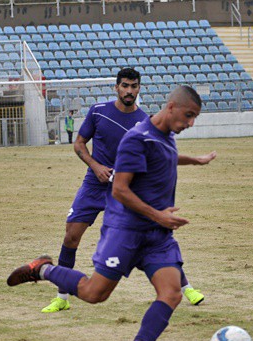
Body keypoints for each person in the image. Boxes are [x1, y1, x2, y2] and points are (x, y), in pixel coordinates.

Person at [7, 85, 216, 341]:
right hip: (125, 231)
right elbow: (119, 190)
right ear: (171, 107)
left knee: (171, 293)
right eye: (189, 115)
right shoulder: (136, 138)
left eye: (195, 117)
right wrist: (158, 215)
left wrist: (195, 160)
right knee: (95, 294)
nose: (190, 123)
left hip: (157, 236)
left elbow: (164, 156)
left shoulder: (165, 135)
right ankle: (43, 269)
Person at [42, 68, 205, 314]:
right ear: (117, 87)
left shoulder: (145, 121)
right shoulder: (98, 111)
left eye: (134, 86)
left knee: (154, 237)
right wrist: (96, 166)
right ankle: (61, 297)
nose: (129, 91)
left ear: (139, 89)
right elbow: (79, 143)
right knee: (71, 237)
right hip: (94, 185)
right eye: (125, 86)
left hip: (126, 189)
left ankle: (186, 287)